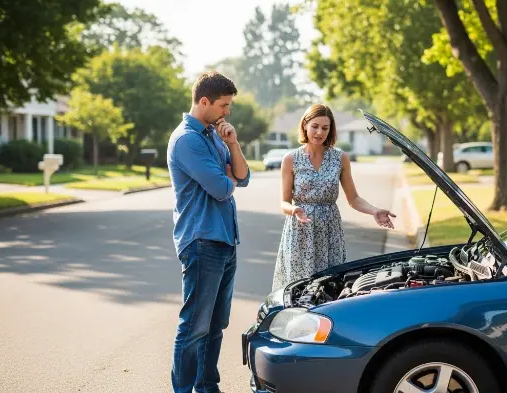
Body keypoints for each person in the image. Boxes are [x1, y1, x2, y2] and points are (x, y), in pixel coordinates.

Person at [167, 71, 250, 393]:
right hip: (202, 241)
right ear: (204, 101)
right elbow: (219, 188)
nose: (227, 112)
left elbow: (241, 178)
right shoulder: (187, 139)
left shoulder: (214, 134)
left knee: (215, 326)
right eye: (223, 105)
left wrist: (233, 144)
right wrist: (227, 176)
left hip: (225, 239)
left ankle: (206, 388)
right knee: (194, 327)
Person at [271, 104, 395, 290]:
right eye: (315, 126)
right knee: (299, 289)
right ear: (305, 125)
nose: (320, 132)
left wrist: (375, 211)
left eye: (325, 128)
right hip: (300, 232)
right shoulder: (290, 159)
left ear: (330, 130)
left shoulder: (340, 158)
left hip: (330, 231)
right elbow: (284, 202)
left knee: (329, 286)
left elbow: (354, 199)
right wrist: (294, 209)